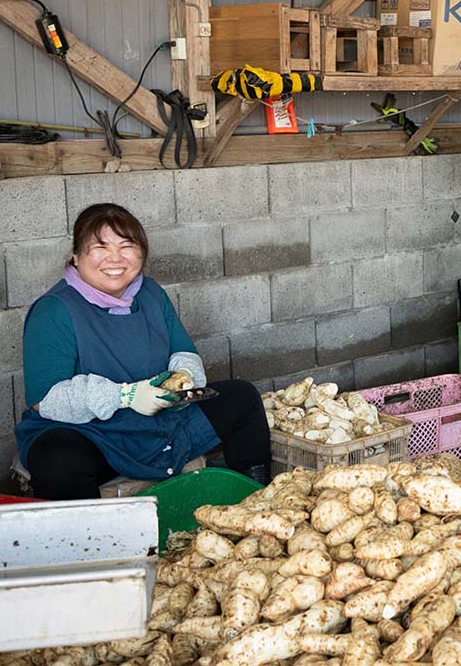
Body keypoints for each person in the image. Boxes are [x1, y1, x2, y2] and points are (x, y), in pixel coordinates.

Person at [15, 203, 271, 500]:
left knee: (241, 397)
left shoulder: (149, 293)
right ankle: (99, 542)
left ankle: (255, 502)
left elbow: (183, 351)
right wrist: (125, 396)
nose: (115, 258)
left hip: (159, 421)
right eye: (100, 247)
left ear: (141, 253)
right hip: (96, 434)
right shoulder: (55, 310)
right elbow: (45, 399)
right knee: (58, 458)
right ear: (76, 256)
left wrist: (184, 376)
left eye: (127, 246)